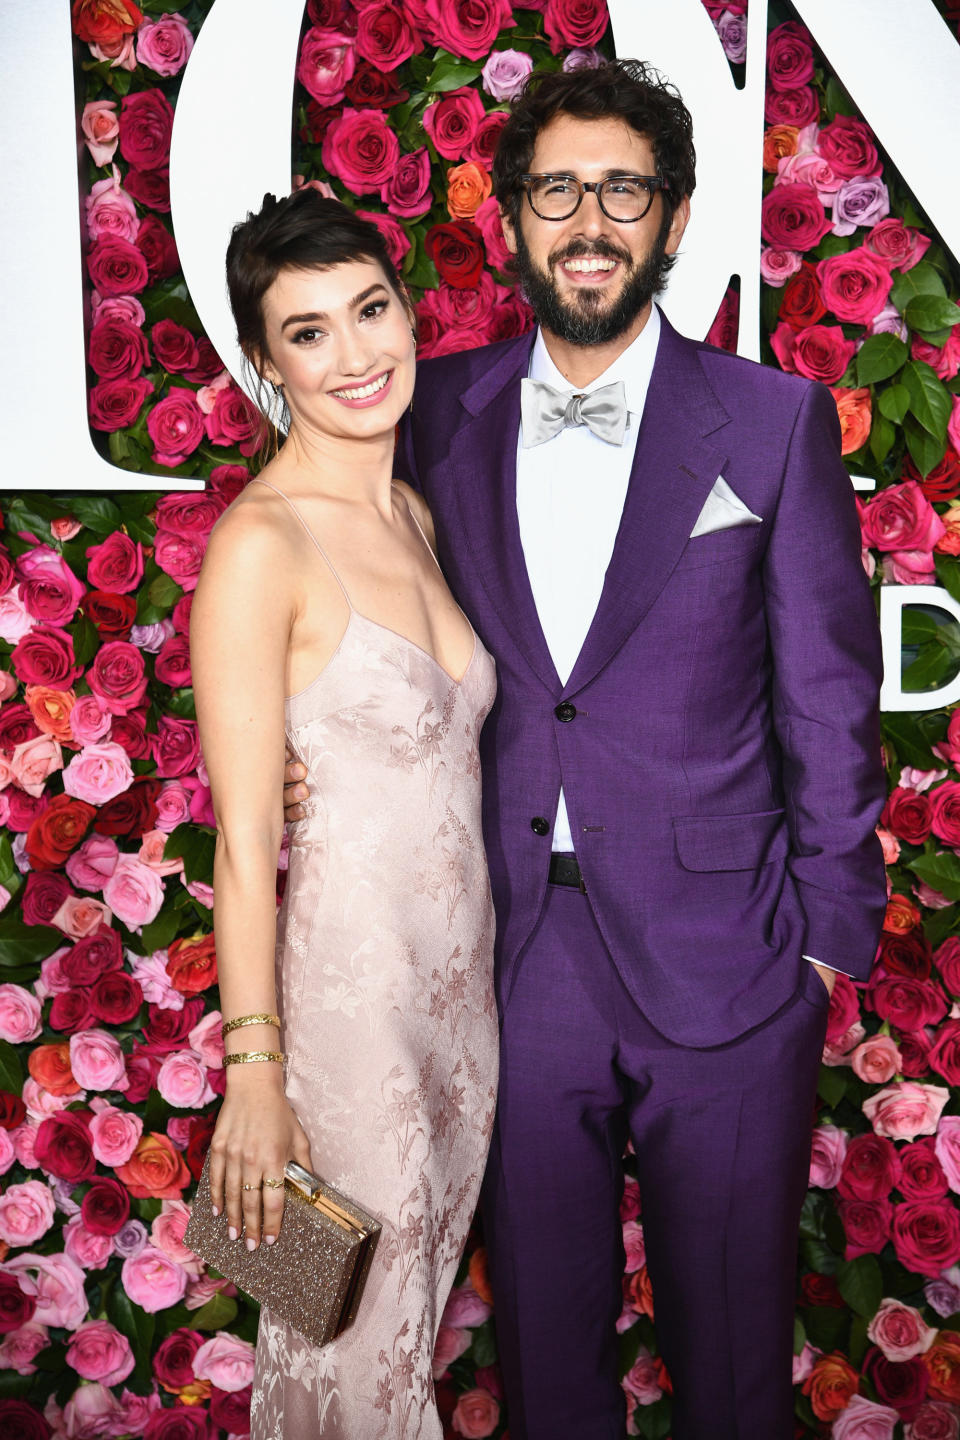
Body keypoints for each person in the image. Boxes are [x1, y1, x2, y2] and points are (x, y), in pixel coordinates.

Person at [284, 59, 887, 1439]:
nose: (589, 219)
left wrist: (823, 947)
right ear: (511, 221)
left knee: (734, 1372)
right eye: (557, 189)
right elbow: (316, 566)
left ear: (672, 221)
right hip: (509, 957)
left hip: (734, 954)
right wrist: (297, 747)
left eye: (623, 188)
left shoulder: (771, 421)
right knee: (545, 1372)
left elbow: (828, 696)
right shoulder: (430, 412)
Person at [190, 190, 499, 1440]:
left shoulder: (413, 517)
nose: (356, 353)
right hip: (342, 1028)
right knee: (346, 1366)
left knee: (402, 1343)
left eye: (370, 309)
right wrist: (256, 1076)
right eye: (307, 332)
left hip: (460, 1016)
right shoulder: (259, 543)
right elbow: (243, 839)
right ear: (265, 362)